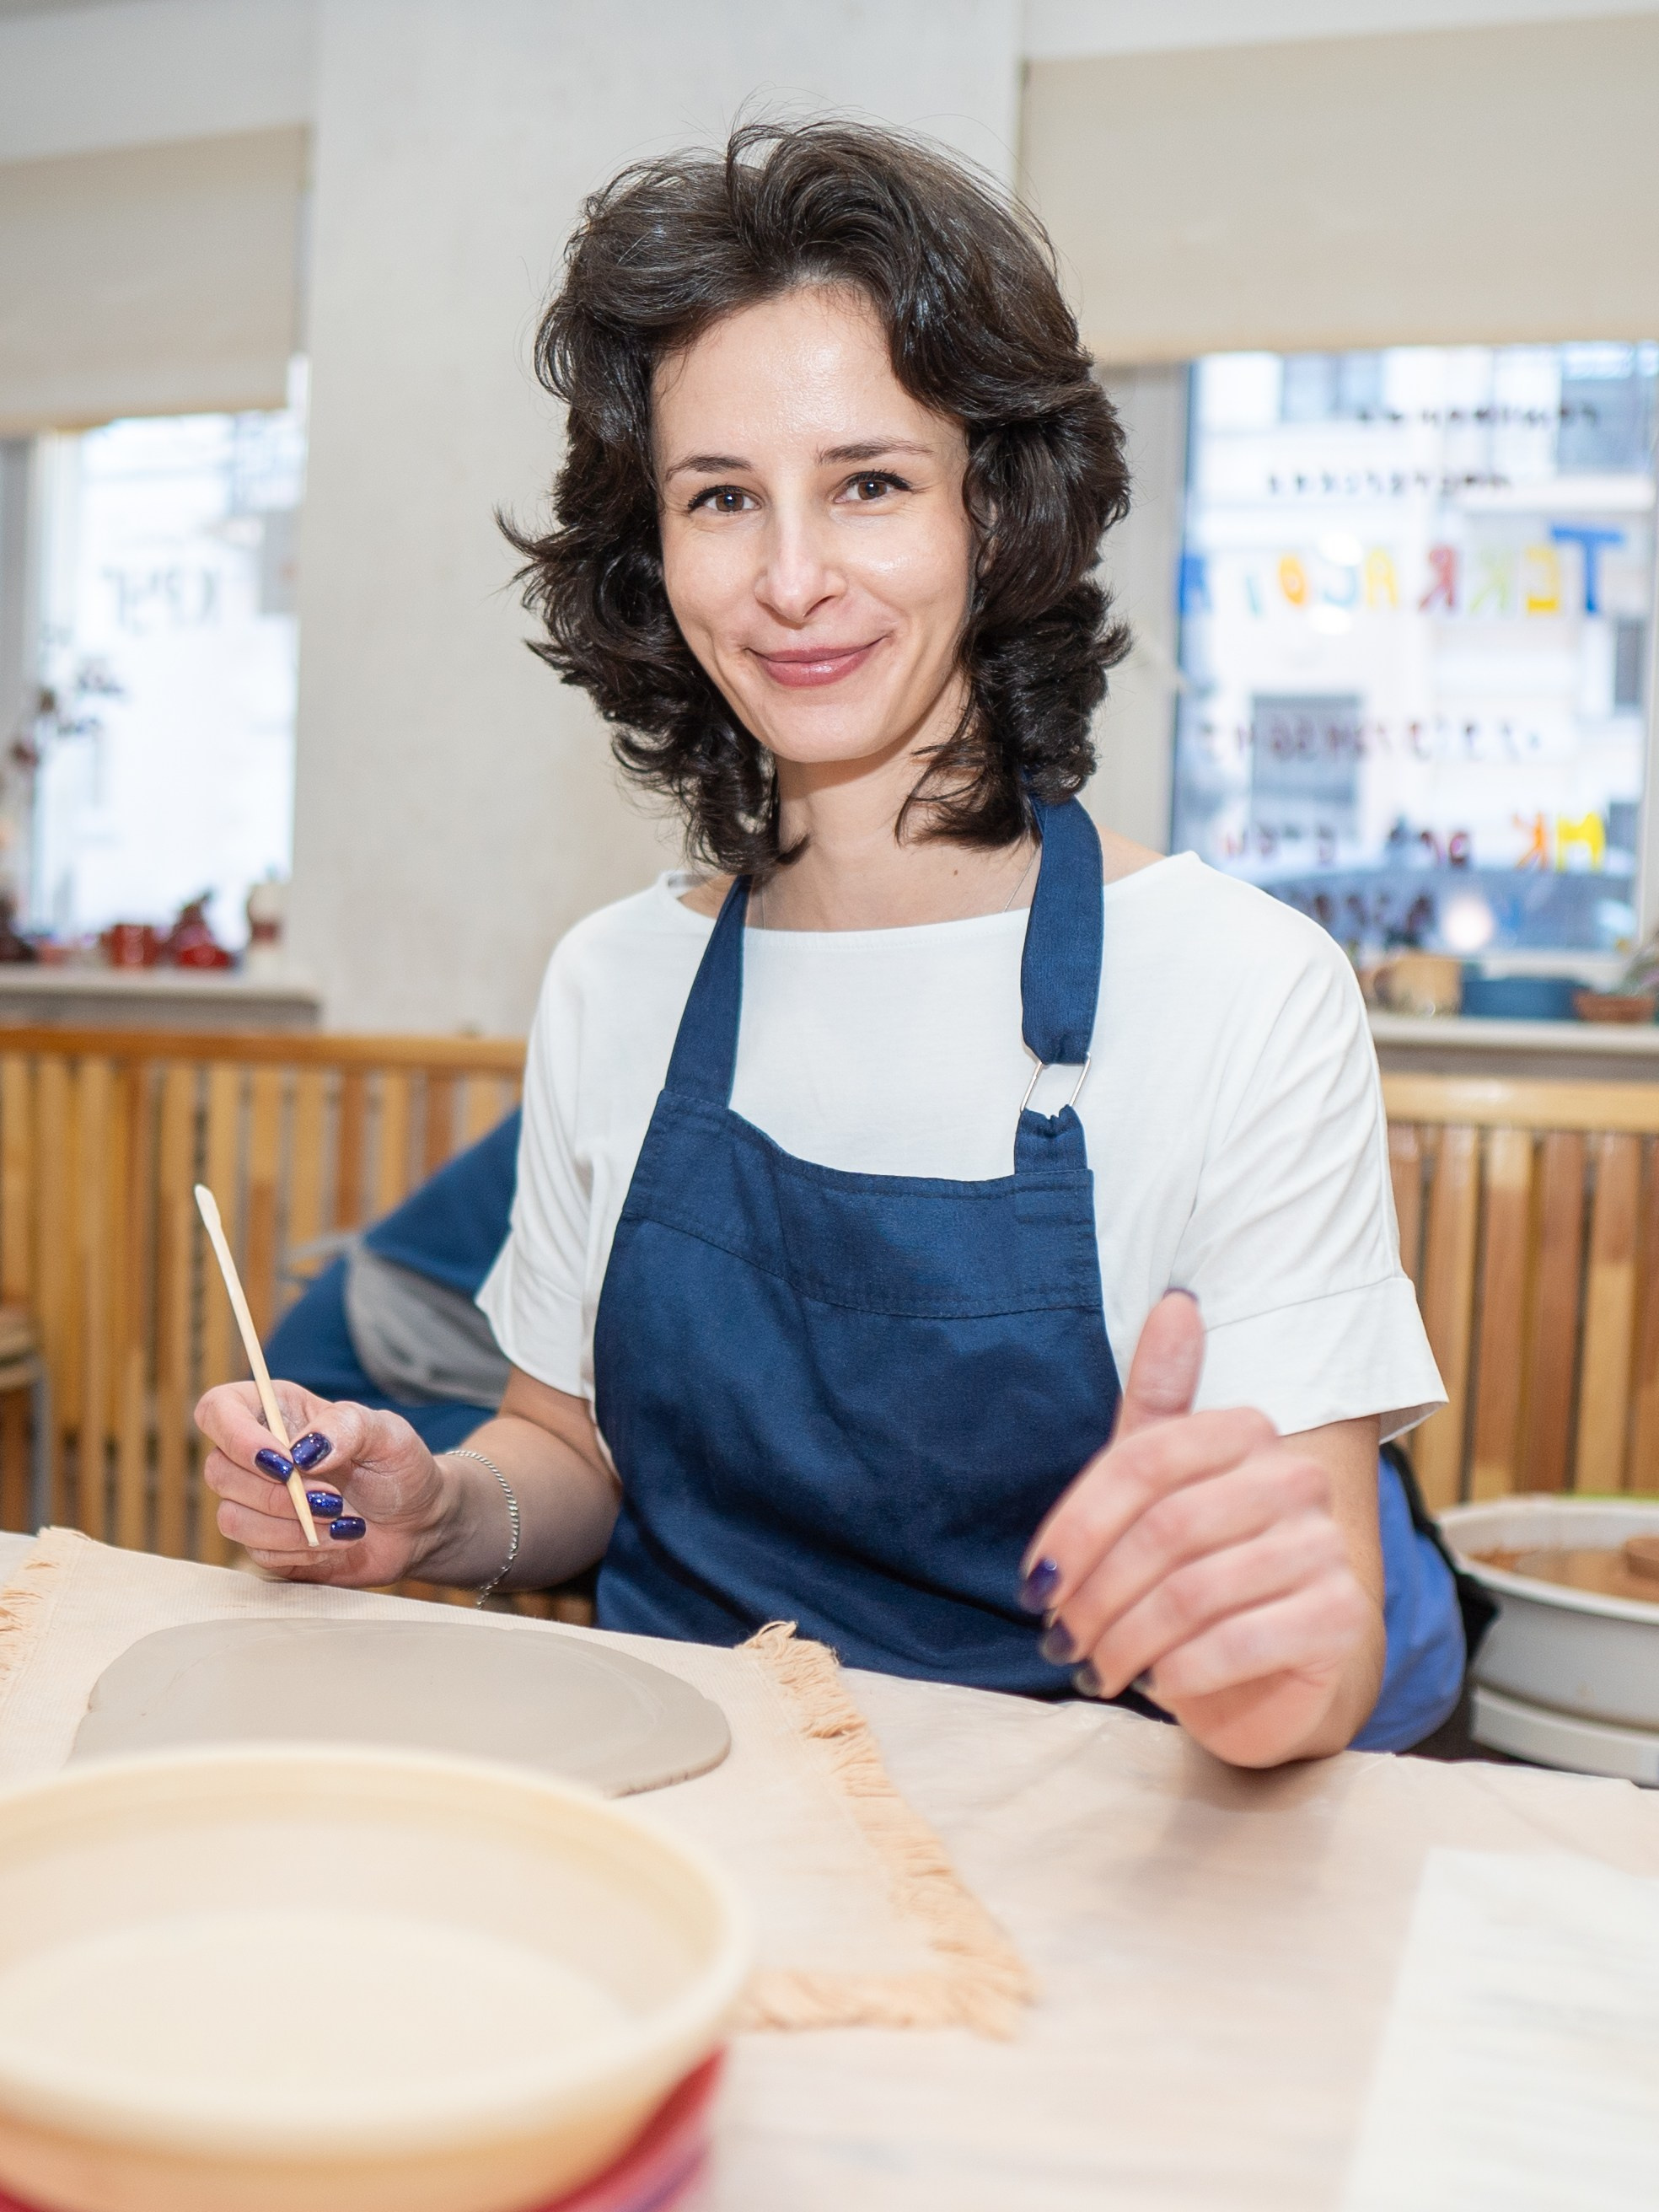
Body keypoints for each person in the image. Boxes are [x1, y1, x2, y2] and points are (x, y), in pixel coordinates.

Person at [197, 121, 1462, 1769]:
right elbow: (567, 1460)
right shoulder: (616, 981)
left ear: (996, 512)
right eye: (724, 498)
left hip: (1086, 1849)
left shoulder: (1241, 989)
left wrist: (1263, 1666)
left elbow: (1315, 1639)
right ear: (657, 556)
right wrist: (433, 1511)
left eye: (869, 483)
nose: (793, 580)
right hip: (680, 1821)